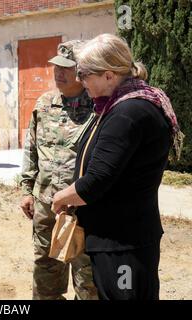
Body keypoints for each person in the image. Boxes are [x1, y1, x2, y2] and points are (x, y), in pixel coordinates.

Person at [52, 34, 184, 300]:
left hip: (122, 243)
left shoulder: (127, 113)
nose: (80, 80)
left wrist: (60, 198)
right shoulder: (126, 104)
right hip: (122, 237)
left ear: (109, 76)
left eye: (85, 73)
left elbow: (96, 182)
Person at [20, 40, 98, 300]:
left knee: (87, 280)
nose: (58, 73)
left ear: (82, 71)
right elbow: (31, 149)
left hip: (82, 210)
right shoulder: (44, 104)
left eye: (67, 68)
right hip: (46, 206)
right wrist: (26, 190)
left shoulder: (98, 108)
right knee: (45, 274)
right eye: (56, 67)